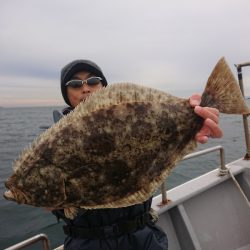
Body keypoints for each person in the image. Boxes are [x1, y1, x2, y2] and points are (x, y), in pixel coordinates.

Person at [50, 59, 222, 250]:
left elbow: (158, 152)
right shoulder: (51, 145)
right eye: (75, 83)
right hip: (86, 243)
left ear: (103, 86)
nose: (85, 88)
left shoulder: (132, 119)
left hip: (143, 236)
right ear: (67, 93)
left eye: (93, 81)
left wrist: (194, 120)